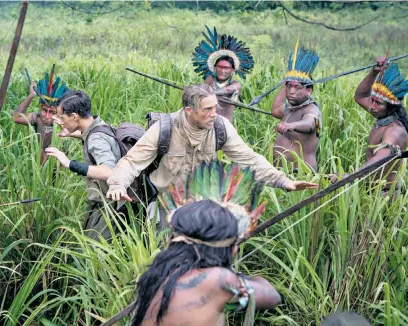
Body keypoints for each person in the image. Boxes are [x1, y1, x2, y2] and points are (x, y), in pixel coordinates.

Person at [131, 161, 281, 326]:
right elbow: (272, 296)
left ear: (172, 241)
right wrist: (234, 274)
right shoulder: (218, 280)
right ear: (232, 249)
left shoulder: (155, 274)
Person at [106, 84, 317, 205]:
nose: (214, 114)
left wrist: (283, 181)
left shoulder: (220, 127)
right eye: (207, 109)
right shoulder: (164, 128)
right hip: (167, 203)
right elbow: (132, 162)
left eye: (215, 107)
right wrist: (117, 184)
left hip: (205, 201)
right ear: (189, 111)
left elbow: (249, 159)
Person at [45, 90, 128, 241]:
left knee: (96, 255)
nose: (60, 121)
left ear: (74, 116)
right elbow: (89, 134)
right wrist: (69, 132)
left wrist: (69, 163)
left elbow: (108, 171)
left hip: (109, 207)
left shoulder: (96, 139)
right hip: (112, 204)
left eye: (61, 117)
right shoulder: (98, 125)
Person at [332, 58, 408, 196]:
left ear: (390, 107)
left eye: (378, 103)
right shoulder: (382, 116)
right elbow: (360, 96)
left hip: (384, 196)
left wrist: (349, 176)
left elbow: (381, 157)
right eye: (372, 101)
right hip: (369, 191)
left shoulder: (395, 131)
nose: (372, 106)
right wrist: (374, 73)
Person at [271, 37, 322, 172]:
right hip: (283, 173)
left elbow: (310, 124)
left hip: (301, 173)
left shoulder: (312, 110)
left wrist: (290, 126)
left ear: (308, 90)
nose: (291, 92)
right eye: (289, 87)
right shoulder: (290, 108)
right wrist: (287, 81)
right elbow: (276, 110)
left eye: (297, 87)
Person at [193, 25, 254, 122]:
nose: (222, 71)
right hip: (206, 121)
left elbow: (226, 91)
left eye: (226, 68)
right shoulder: (210, 79)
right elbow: (201, 93)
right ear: (214, 68)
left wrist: (209, 92)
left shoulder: (235, 85)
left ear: (232, 70)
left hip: (224, 123)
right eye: (219, 67)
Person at [12, 66, 69, 164]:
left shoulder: (64, 124)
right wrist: (31, 96)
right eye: (44, 110)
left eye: (52, 112)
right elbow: (16, 118)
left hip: (57, 169)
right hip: (38, 167)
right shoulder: (37, 118)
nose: (47, 116)